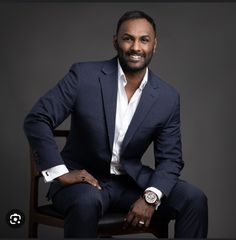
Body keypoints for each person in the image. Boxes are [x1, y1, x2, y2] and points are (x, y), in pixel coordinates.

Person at [24, 10, 208, 238]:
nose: (136, 47)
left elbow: (170, 159)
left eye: (144, 39)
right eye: (128, 38)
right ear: (116, 41)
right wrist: (61, 173)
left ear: (154, 44)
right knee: (86, 201)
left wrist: (151, 197)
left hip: (131, 184)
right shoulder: (84, 76)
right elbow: (37, 118)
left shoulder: (167, 97)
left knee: (194, 198)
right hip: (82, 184)